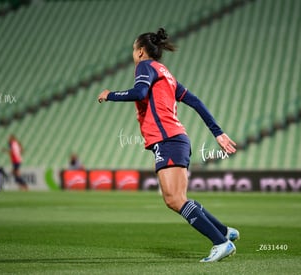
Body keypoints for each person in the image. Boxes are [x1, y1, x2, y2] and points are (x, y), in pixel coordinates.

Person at [98, 28, 239, 262]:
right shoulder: (166, 74)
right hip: (175, 139)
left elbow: (140, 92)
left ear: (141, 51)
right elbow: (195, 101)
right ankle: (224, 232)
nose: (134, 53)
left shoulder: (144, 67)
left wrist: (109, 94)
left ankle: (220, 242)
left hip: (168, 140)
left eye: (134, 49)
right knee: (179, 198)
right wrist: (218, 133)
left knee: (174, 199)